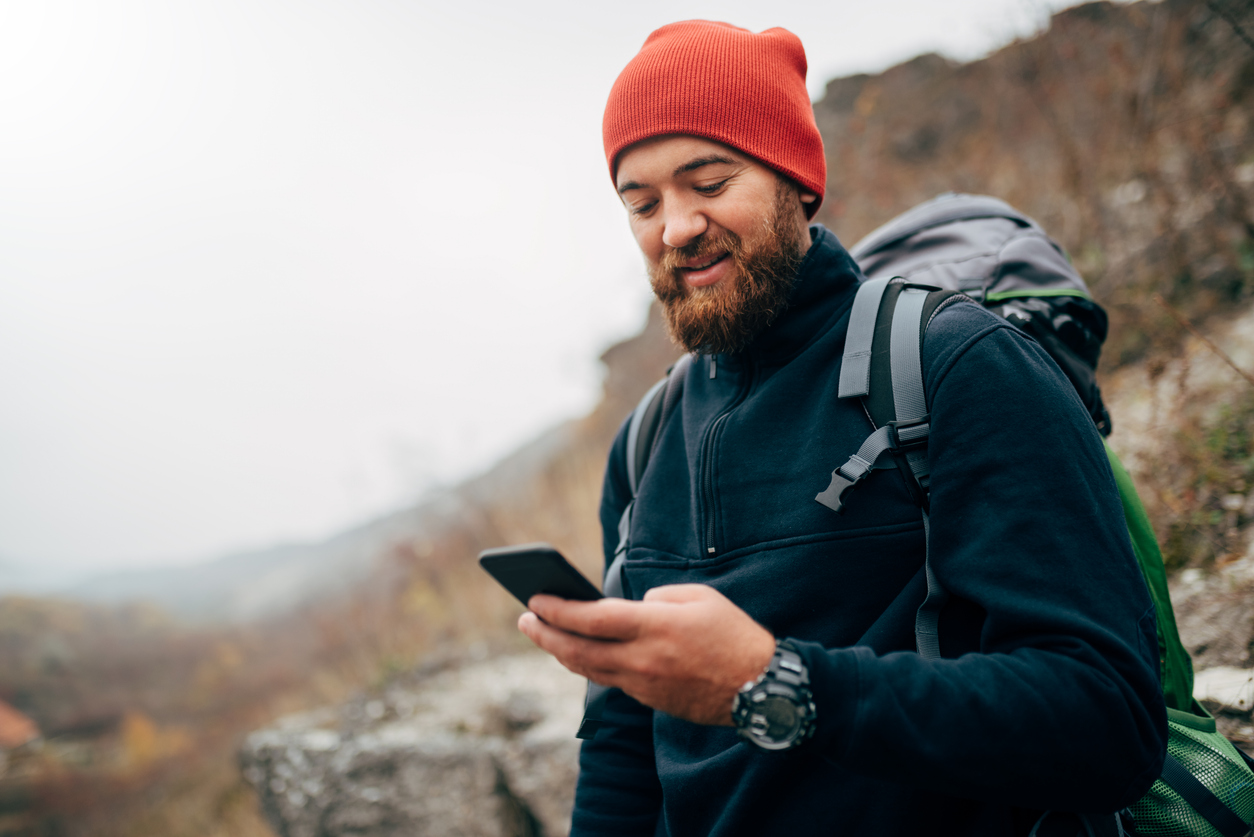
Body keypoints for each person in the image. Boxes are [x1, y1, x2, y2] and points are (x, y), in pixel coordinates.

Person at [518, 20, 1166, 836]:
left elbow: (1108, 717)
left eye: (709, 182)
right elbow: (622, 745)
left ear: (796, 181)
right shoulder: (645, 443)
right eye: (640, 202)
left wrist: (780, 684)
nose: (674, 227)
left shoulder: (954, 364)